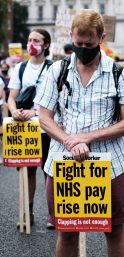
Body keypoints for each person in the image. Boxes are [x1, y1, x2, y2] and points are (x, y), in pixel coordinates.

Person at [34, 9, 124, 257]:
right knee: (66, 231)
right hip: (63, 163)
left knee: (114, 230)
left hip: (111, 165)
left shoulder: (118, 73)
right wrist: (69, 141)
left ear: (101, 38)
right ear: (71, 36)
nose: (83, 48)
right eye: (77, 43)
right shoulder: (56, 71)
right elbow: (44, 117)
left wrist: (86, 138)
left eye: (89, 44)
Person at [7, 29, 53, 228]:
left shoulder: (53, 68)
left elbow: (56, 102)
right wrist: (14, 111)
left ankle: (54, 214)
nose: (31, 43)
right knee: (27, 172)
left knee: (50, 172)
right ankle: (27, 212)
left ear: (46, 45)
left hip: (47, 128)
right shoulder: (20, 68)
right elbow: (11, 97)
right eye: (29, 39)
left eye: (36, 40)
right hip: (25, 129)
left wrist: (34, 112)